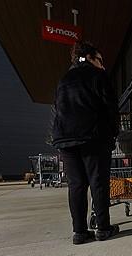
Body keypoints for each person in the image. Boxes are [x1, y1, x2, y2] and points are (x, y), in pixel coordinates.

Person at [52, 40, 120, 244]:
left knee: (76, 184)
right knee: (98, 182)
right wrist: (113, 134)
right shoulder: (98, 76)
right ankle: (103, 228)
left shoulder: (64, 80)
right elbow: (111, 108)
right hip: (93, 136)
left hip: (65, 138)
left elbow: (58, 109)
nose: (103, 64)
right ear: (90, 57)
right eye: (100, 59)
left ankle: (79, 232)